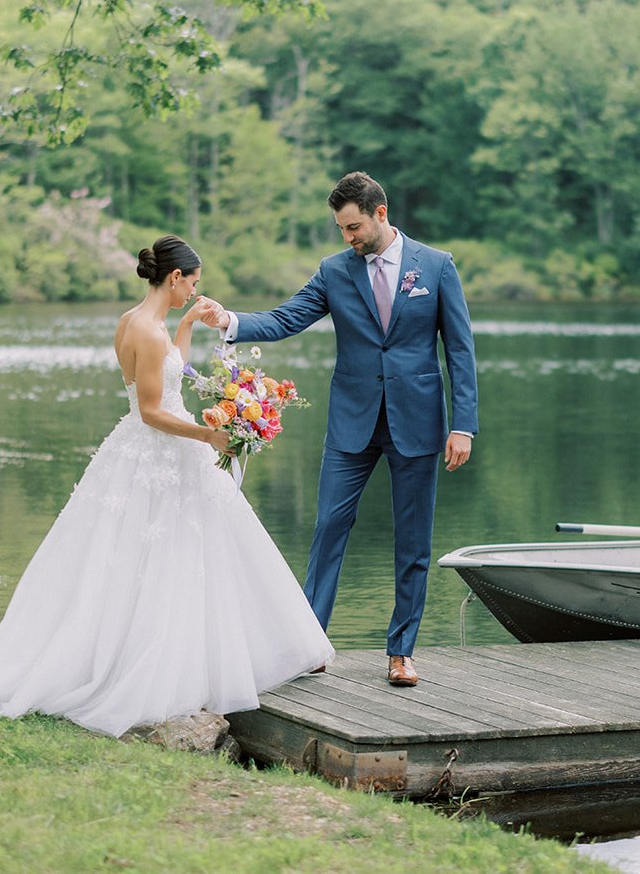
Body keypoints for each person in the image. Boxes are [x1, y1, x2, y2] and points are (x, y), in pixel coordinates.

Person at [0, 236, 332, 737]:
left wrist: (189, 325)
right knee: (173, 555)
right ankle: (160, 666)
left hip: (136, 450)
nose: (195, 290)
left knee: (141, 553)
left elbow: (165, 374)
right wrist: (209, 434)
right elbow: (153, 412)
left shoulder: (136, 322)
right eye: (193, 283)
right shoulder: (147, 333)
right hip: (160, 449)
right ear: (175, 277)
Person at [202, 172, 477, 688]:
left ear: (380, 212)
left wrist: (463, 425)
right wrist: (230, 320)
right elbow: (287, 319)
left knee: (413, 541)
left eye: (353, 227)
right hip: (351, 422)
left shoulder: (437, 267)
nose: (347, 237)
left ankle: (401, 653)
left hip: (418, 423)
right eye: (341, 229)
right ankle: (309, 646)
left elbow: (459, 351)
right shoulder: (334, 271)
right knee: (328, 528)